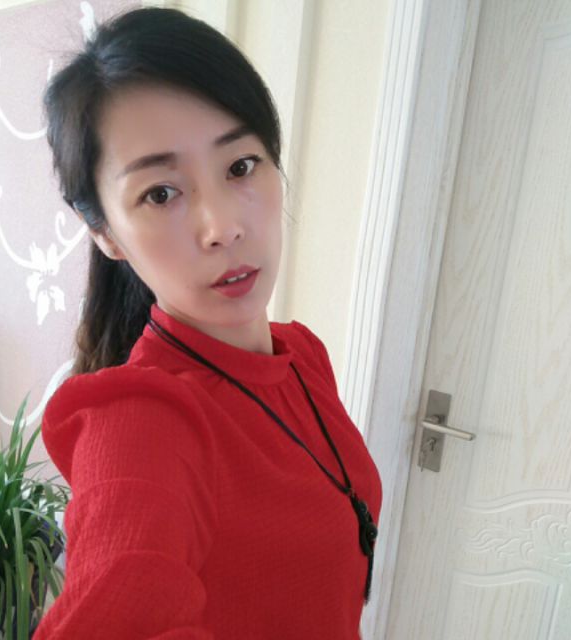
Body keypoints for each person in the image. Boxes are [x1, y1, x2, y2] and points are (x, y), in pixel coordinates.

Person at [33, 7, 382, 639]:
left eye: (241, 166)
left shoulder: (303, 358)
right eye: (160, 193)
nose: (223, 227)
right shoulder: (141, 420)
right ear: (104, 232)